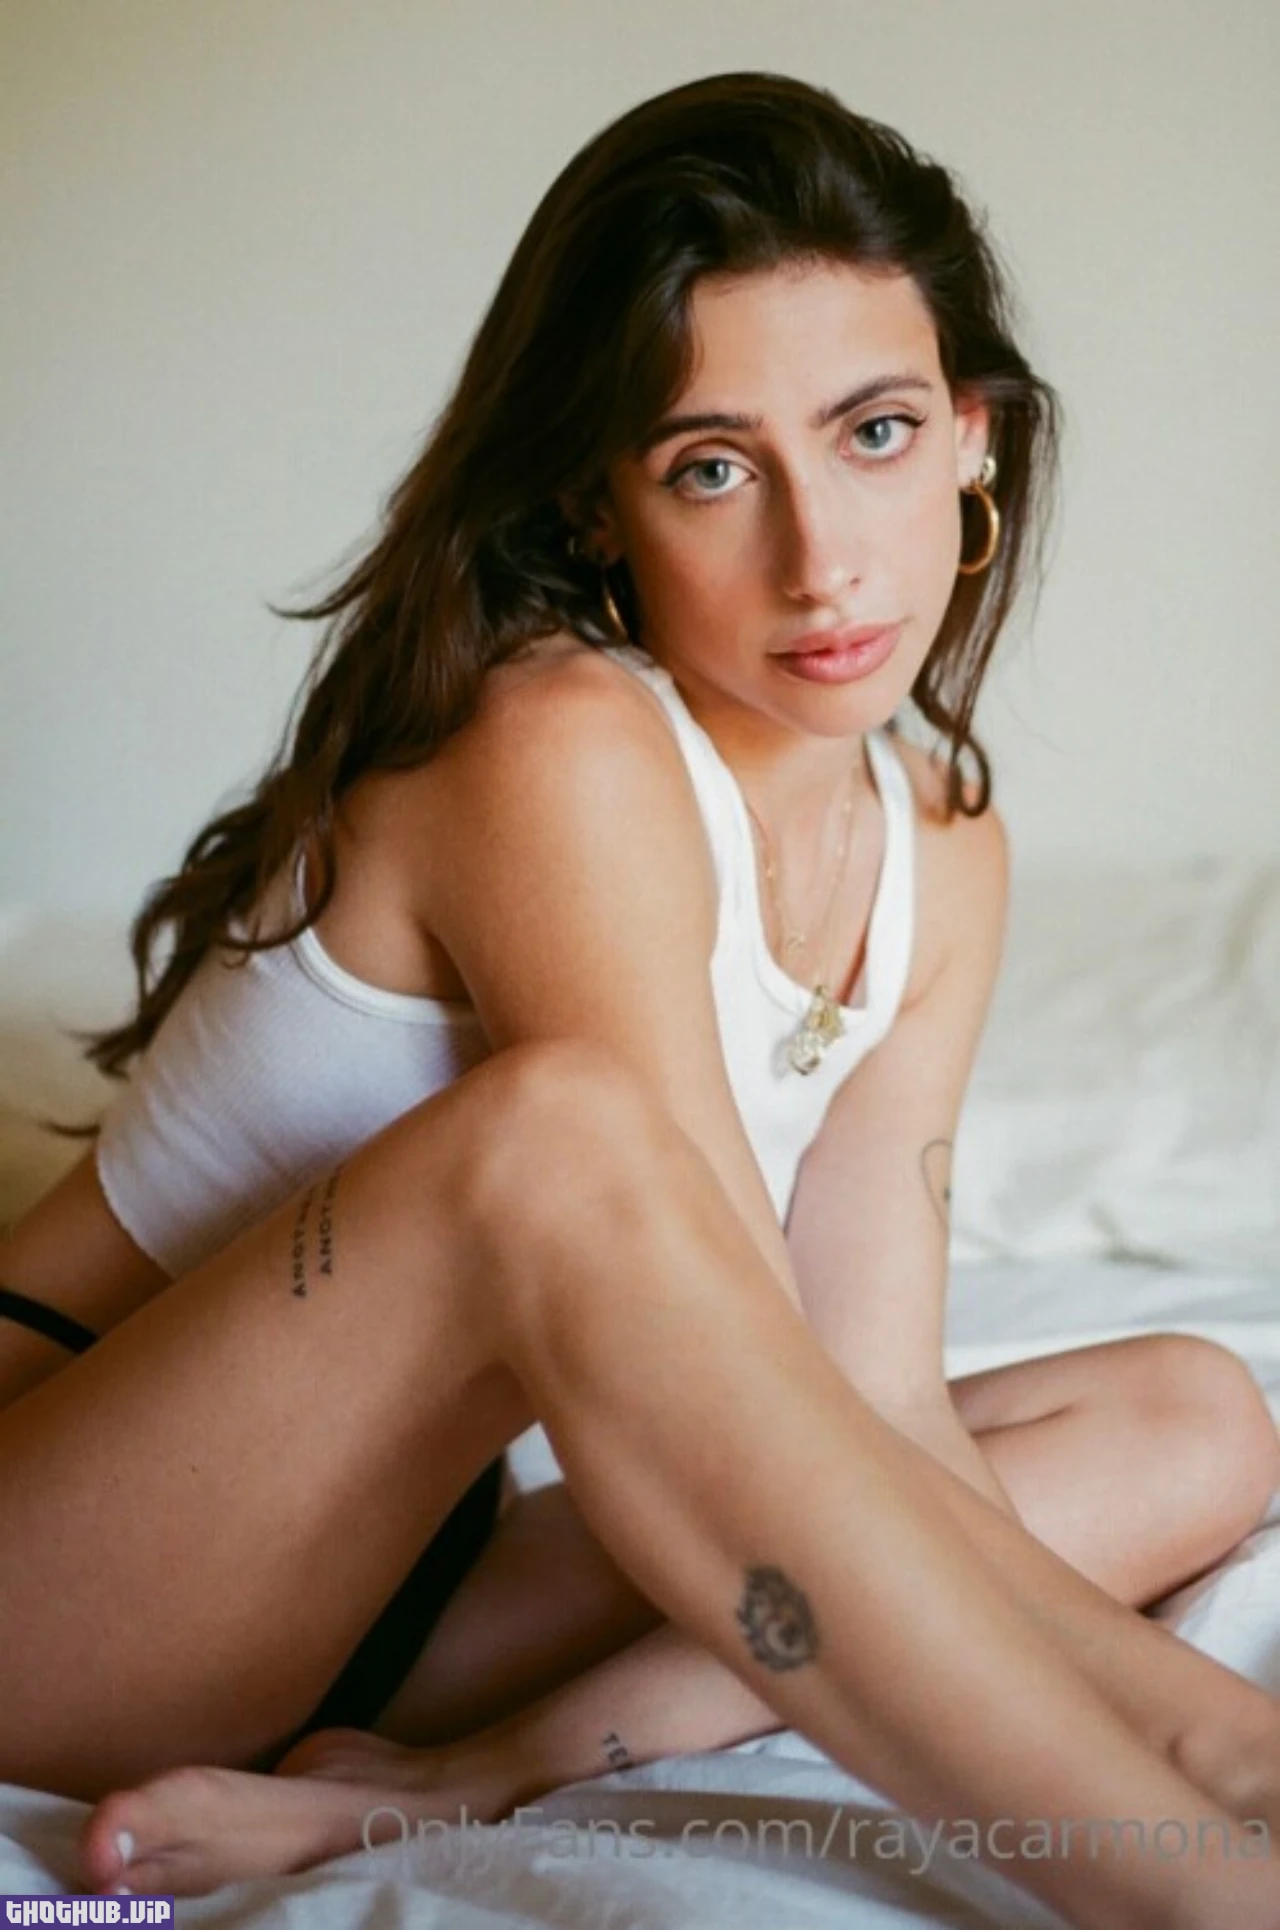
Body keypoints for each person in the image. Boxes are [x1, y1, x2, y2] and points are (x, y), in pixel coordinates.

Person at [1, 70, 1278, 1928]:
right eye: (712, 468)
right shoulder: (561, 740)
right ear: (598, 511)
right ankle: (1196, 1898)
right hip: (64, 1563)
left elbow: (869, 1409)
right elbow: (751, 1402)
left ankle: (455, 1780)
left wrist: (1222, 1732)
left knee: (1192, 1416)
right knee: (564, 1142)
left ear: (972, 440)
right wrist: (1200, 1763)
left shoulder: (943, 841)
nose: (821, 558)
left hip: (394, 1597)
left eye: (875, 432)